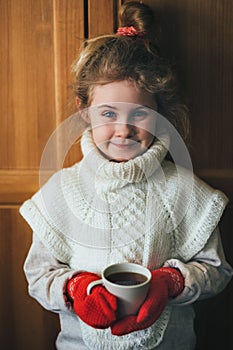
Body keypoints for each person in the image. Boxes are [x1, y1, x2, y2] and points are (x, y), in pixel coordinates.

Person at [20, 1, 232, 349]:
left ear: (160, 113)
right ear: (84, 110)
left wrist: (172, 282)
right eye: (108, 113)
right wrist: (74, 289)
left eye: (140, 114)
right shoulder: (62, 191)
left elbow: (217, 270)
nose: (123, 130)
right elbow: (39, 274)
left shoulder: (184, 191)